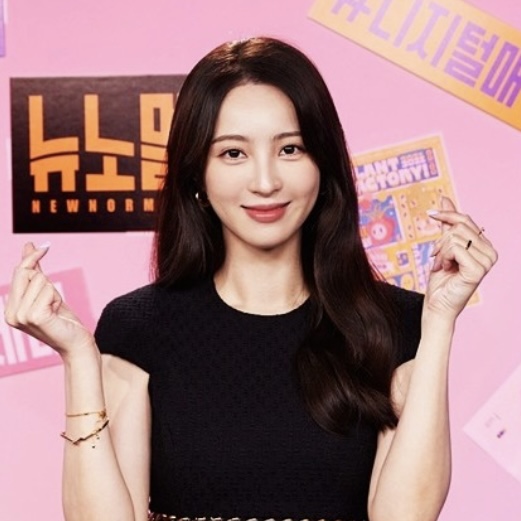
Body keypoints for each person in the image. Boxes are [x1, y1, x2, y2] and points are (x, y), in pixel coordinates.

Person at [5, 37, 497, 521]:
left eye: (291, 149)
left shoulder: (398, 322)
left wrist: (438, 322)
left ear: (323, 164)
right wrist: (79, 359)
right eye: (233, 154)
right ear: (197, 175)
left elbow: (405, 516)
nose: (265, 182)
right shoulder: (139, 326)